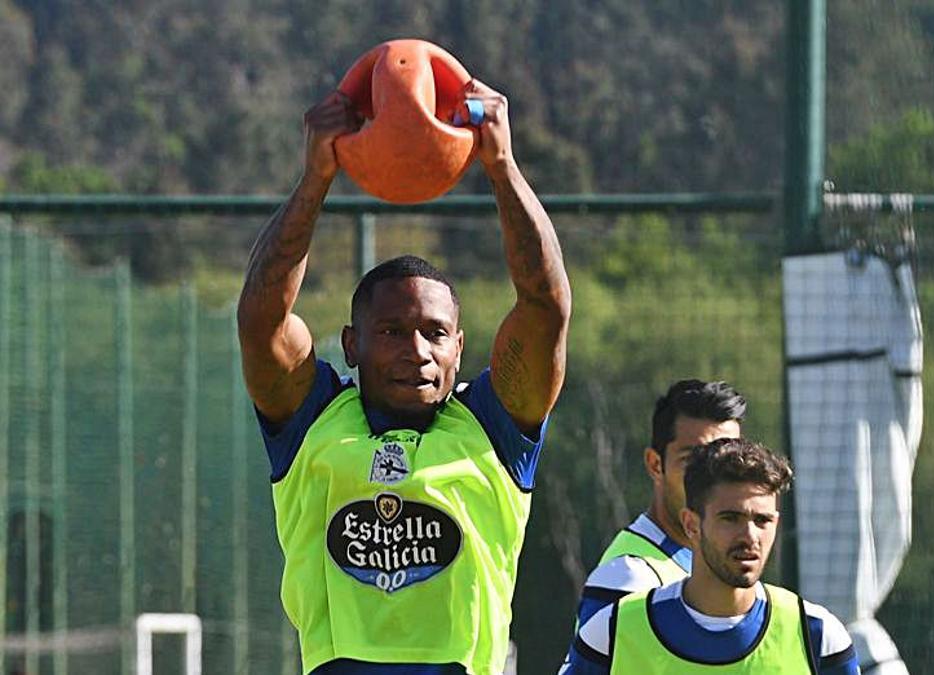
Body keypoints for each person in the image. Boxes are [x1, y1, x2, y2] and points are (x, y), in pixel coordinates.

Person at [237, 78, 570, 674]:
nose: (416, 350)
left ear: (460, 348)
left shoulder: (495, 429)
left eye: (435, 333)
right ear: (352, 346)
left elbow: (545, 305)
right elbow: (262, 318)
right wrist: (316, 177)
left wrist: (502, 166)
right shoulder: (311, 422)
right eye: (391, 331)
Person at [563, 437, 859, 674]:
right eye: (730, 518)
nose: (750, 536)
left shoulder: (817, 639)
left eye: (762, 521)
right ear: (692, 524)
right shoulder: (612, 634)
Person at [561, 380, 745, 657]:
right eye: (693, 460)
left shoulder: (721, 562)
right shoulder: (627, 579)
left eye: (728, 460)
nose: (713, 477)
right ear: (655, 465)